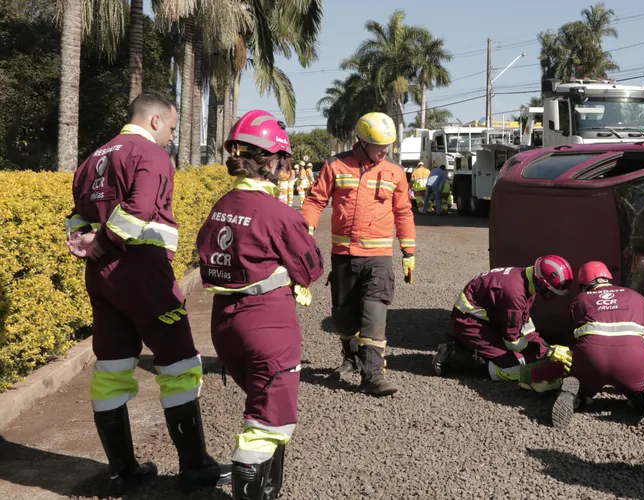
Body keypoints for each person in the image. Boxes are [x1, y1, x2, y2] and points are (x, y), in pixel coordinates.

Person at [64, 91, 230, 495]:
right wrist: (108, 238)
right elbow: (139, 209)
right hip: (143, 271)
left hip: (101, 277)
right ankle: (195, 467)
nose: (172, 135)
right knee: (179, 362)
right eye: (172, 127)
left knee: (111, 367)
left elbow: (75, 216)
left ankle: (123, 472)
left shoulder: (92, 159)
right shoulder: (150, 153)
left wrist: (88, 241)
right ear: (155, 120)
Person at [196, 109, 324, 500]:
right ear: (271, 161)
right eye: (284, 160)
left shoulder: (221, 205)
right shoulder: (278, 213)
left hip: (224, 324)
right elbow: (312, 268)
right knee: (266, 420)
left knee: (261, 403)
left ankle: (269, 488)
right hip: (267, 325)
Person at [300, 112, 416, 396]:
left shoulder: (395, 172)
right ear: (362, 141)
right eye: (379, 145)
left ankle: (373, 375)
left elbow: (403, 212)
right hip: (343, 254)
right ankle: (352, 358)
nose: (385, 150)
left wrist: (408, 252)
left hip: (378, 256)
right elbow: (315, 200)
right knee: (343, 315)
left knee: (374, 314)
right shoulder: (336, 165)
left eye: (388, 144)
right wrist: (306, 229)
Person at [552, 261, 644, 428]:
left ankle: (575, 394)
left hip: (590, 359)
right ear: (608, 278)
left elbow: (570, 337)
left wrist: (576, 364)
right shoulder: (636, 297)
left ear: (583, 284)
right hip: (632, 362)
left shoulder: (580, 300)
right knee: (642, 387)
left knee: (579, 381)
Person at [431, 255, 575, 392]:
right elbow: (513, 341)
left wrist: (545, 346)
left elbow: (524, 325)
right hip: (468, 324)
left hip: (482, 319)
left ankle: (464, 346)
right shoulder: (515, 294)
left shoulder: (525, 280)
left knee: (522, 355)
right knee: (510, 368)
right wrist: (547, 352)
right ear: (540, 282)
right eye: (550, 292)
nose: (551, 296)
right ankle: (454, 354)